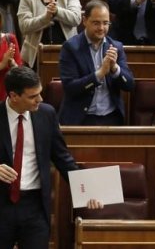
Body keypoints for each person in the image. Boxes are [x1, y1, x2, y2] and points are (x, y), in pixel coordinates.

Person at [0, 66, 102, 249]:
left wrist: (88, 190)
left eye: (39, 93)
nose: (40, 99)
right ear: (14, 96)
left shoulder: (46, 114)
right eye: (33, 96)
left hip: (35, 206)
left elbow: (63, 158)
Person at [58, 0, 134, 126]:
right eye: (96, 23)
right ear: (85, 21)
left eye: (105, 23)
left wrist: (115, 68)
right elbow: (70, 87)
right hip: (81, 119)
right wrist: (99, 74)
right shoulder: (70, 48)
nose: (101, 28)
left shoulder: (116, 47)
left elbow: (129, 85)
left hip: (111, 118)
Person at [17, 0, 82, 70]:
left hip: (68, 53)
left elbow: (76, 18)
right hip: (35, 57)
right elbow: (24, 26)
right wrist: (45, 18)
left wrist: (57, 11)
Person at [0, 12, 23, 102]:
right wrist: (2, 64)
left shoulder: (10, 39)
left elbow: (20, 72)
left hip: (7, 96)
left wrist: (13, 64)